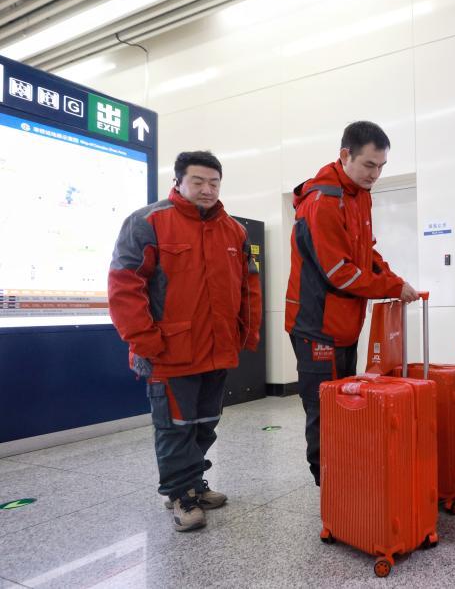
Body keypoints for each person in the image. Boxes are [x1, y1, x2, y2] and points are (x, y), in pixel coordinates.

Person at [108, 150, 262, 531]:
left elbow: (249, 287)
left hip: (217, 349)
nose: (207, 189)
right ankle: (179, 495)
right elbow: (124, 286)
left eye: (214, 182)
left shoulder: (234, 231)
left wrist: (247, 333)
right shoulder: (147, 223)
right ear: (178, 181)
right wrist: (146, 342)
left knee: (205, 424)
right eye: (198, 181)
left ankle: (193, 481)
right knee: (175, 427)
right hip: (169, 352)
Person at [286, 121, 418, 487]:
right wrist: (390, 287)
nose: (375, 174)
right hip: (316, 325)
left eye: (381, 167)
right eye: (369, 165)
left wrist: (394, 280)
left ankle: (344, 473)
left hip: (344, 322)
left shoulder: (359, 194)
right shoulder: (323, 201)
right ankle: (328, 482)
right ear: (345, 155)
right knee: (325, 407)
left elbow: (365, 252)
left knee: (346, 399)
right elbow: (340, 272)